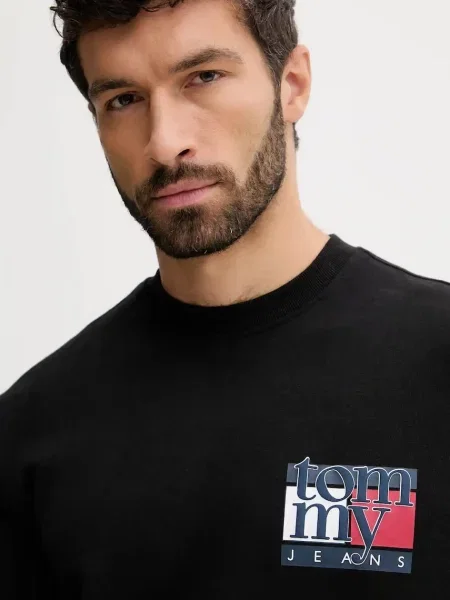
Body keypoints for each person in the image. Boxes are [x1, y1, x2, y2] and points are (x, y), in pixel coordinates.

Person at [1, 0, 449, 597]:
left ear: (292, 84)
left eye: (204, 77)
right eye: (123, 100)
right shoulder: (30, 435)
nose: (165, 143)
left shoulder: (436, 360)